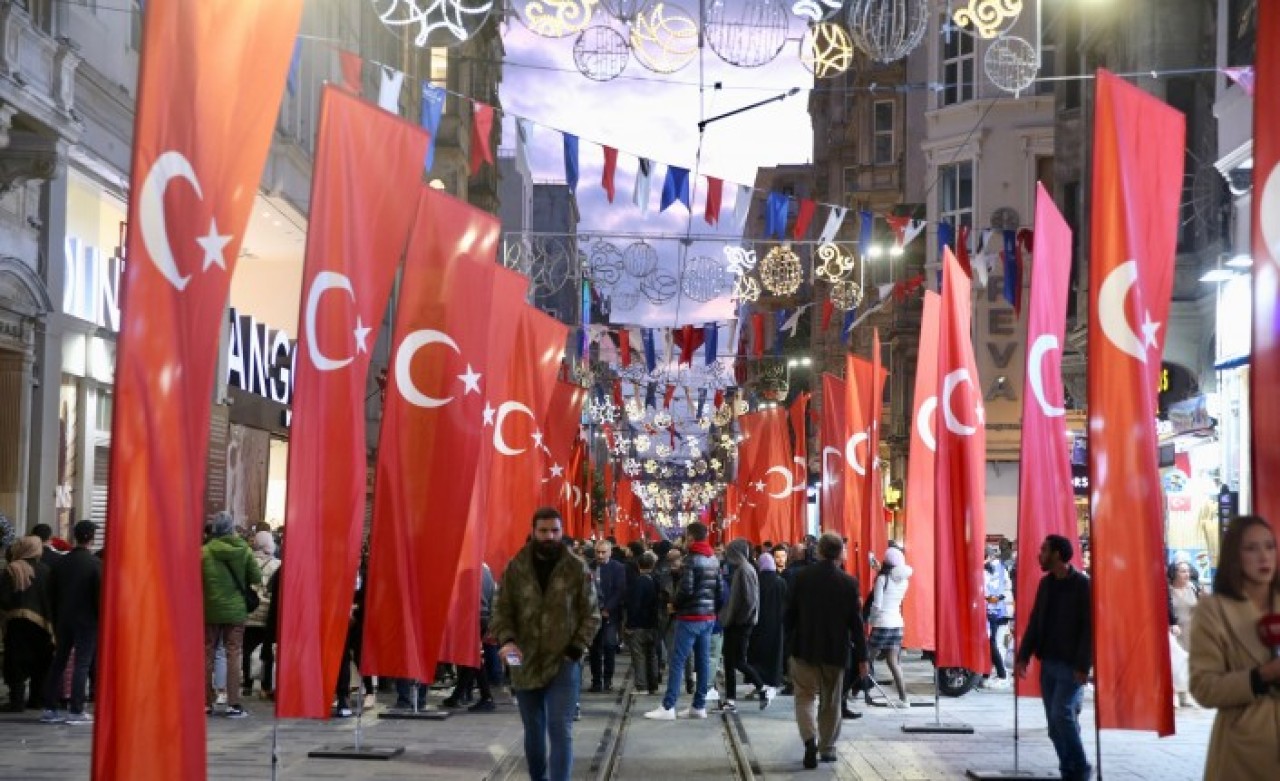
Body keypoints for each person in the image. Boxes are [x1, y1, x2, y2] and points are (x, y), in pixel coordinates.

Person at [490, 508, 600, 781]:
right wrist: (507, 640)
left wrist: (576, 648)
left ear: (562, 532)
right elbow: (501, 610)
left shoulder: (576, 568)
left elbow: (592, 614)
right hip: (524, 659)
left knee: (560, 728)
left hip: (563, 661)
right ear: (533, 532)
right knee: (533, 729)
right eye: (543, 531)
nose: (549, 536)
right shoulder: (516, 567)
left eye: (555, 530)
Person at [1189, 515, 1280, 780]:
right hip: (1242, 749)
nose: (1263, 556)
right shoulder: (1213, 611)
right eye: (1251, 548)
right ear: (1234, 556)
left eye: (1269, 546)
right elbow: (1203, 687)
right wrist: (1261, 676)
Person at [786, 532, 868, 769]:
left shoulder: (801, 577)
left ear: (819, 551)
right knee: (831, 701)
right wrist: (862, 657)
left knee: (804, 697)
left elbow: (788, 615)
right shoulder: (849, 583)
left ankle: (809, 741)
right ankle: (827, 747)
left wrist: (789, 643)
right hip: (835, 651)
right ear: (840, 553)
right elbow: (856, 624)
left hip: (804, 648)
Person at [1015, 534, 1093, 781]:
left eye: (1044, 550)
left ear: (1057, 554)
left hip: (1071, 666)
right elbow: (1035, 621)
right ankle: (1067, 770)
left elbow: (1090, 628)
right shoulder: (1046, 584)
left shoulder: (1083, 585)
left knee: (1062, 714)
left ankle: (1080, 768)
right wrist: (1023, 656)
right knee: (1053, 724)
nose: (1039, 555)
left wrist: (1083, 665)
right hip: (1048, 662)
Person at [645, 521, 722, 720]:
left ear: (691, 537)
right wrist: (713, 610)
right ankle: (699, 705)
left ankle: (668, 706)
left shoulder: (691, 560)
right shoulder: (714, 559)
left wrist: (674, 604)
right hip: (708, 617)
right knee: (702, 661)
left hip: (690, 617)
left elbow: (686, 589)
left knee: (677, 660)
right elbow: (720, 590)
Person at [200, 511, 261, 718]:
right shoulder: (244, 550)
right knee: (233, 653)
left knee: (207, 652)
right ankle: (233, 703)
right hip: (236, 611)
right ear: (231, 529)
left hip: (210, 609)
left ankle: (206, 702)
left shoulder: (204, 552)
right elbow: (256, 577)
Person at [41, 520, 102, 725]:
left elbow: (50, 592)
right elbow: (99, 596)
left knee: (59, 660)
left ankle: (49, 708)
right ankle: (76, 710)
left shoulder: (61, 563)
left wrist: (55, 615)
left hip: (63, 619)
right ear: (91, 537)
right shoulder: (95, 564)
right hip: (87, 621)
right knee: (82, 663)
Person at [719, 538, 775, 712]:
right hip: (737, 622)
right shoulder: (742, 569)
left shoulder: (744, 570)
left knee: (737, 661)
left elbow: (750, 600)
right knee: (730, 661)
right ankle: (731, 699)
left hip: (740, 623)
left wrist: (740, 619)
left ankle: (762, 688)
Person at [2, 536, 55, 711]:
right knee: (41, 662)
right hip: (43, 625)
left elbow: (4, 598)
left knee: (15, 661)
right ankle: (36, 699)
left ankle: (16, 701)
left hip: (17, 623)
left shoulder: (12, 569)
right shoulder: (46, 570)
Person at [443, 561, 498, 712]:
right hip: (484, 616)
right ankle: (458, 695)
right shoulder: (487, 571)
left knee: (472, 657)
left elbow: (461, 595)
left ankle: (486, 697)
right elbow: (493, 596)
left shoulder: (466, 571)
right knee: (472, 657)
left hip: (471, 616)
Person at [865, 546, 912, 703]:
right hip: (897, 624)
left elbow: (877, 605)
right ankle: (904, 698)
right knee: (893, 663)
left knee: (866, 659)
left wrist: (871, 620)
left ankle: (856, 690)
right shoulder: (904, 580)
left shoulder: (882, 579)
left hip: (882, 624)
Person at [241, 530, 280, 699]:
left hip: (250, 612)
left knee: (247, 649)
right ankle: (266, 685)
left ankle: (247, 684)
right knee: (268, 650)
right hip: (268, 614)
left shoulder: (247, 561)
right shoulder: (277, 565)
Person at [588, 538, 626, 692]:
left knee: (610, 646)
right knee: (594, 648)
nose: (600, 555)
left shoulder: (618, 568)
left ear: (610, 552)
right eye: (598, 552)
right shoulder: (588, 566)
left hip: (610, 614)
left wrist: (608, 609)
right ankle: (596, 680)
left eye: (603, 552)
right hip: (592, 614)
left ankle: (608, 679)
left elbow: (619, 590)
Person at [623, 551, 661, 695]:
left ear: (639, 565)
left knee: (639, 656)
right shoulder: (656, 581)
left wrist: (629, 625)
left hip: (639, 625)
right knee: (652, 655)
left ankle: (642, 686)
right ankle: (653, 685)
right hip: (653, 624)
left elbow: (635, 605)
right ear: (653, 565)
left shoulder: (638, 582)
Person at [749, 551, 787, 689]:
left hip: (758, 623)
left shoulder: (756, 581)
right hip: (777, 623)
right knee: (775, 654)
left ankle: (758, 681)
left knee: (758, 653)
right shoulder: (780, 582)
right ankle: (773, 679)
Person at [1167, 559, 1199, 708]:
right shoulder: (1167, 590)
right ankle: (1172, 695)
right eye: (1183, 571)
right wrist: (1170, 624)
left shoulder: (1193, 588)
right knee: (1174, 663)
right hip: (1174, 631)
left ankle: (1184, 696)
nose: (1187, 574)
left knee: (1187, 663)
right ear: (1174, 573)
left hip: (1191, 630)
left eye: (1188, 571)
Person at [982, 547, 1012, 689]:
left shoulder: (986, 569)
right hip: (998, 609)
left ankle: (1001, 674)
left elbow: (987, 590)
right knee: (993, 643)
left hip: (990, 609)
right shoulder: (1001, 567)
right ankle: (989, 674)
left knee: (992, 643)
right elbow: (1006, 587)